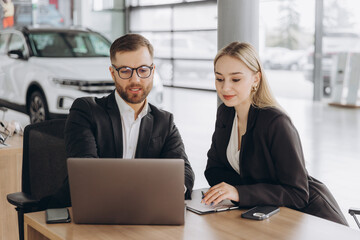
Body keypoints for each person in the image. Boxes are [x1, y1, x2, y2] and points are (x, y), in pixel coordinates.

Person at [201, 41, 348, 226]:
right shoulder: (226, 113)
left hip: (310, 219)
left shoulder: (275, 122)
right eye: (219, 78)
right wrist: (237, 192)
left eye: (235, 79)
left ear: (256, 79)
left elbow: (298, 194)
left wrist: (240, 192)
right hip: (266, 215)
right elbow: (213, 170)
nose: (225, 88)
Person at [43, 34, 194, 207]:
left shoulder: (164, 122)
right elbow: (86, 172)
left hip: (143, 212)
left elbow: (185, 174)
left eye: (143, 70)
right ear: (113, 73)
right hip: (88, 209)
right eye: (125, 71)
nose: (135, 80)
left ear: (152, 71)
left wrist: (172, 189)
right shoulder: (86, 111)